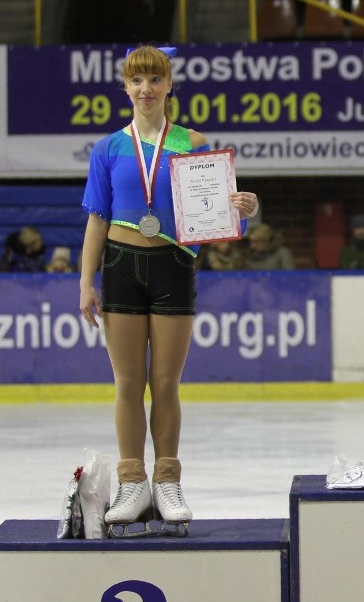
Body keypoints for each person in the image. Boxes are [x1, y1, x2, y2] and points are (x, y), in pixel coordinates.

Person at [78, 45, 258, 537]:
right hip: (119, 263)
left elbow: (215, 208)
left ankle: (168, 481)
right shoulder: (109, 148)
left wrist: (243, 205)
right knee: (127, 384)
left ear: (169, 85)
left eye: (154, 80)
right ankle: (132, 481)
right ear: (125, 88)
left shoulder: (193, 143)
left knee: (166, 384)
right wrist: (85, 282)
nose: (145, 89)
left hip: (174, 263)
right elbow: (96, 218)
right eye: (136, 81)